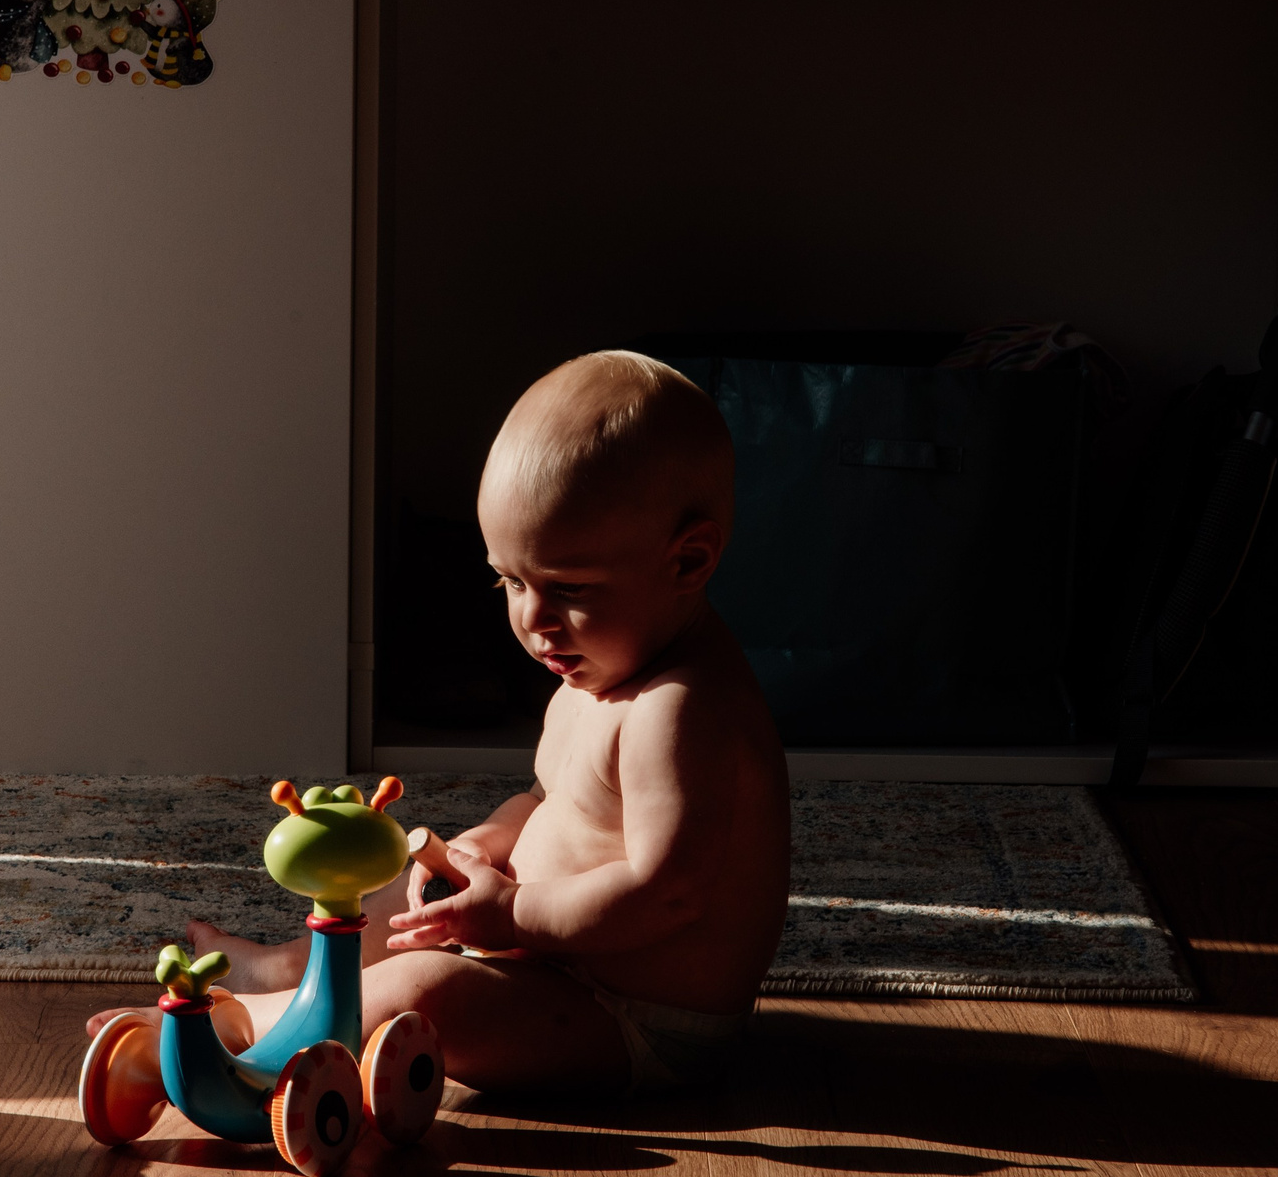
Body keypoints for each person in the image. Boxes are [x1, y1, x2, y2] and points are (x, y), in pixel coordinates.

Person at [97, 350, 791, 1094]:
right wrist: (486, 846)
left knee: (421, 991)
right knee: (410, 882)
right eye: (511, 580)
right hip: (539, 957)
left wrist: (516, 912)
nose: (532, 619)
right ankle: (295, 968)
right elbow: (548, 801)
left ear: (688, 561)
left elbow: (667, 891)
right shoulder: (596, 673)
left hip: (631, 1020)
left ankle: (244, 1029)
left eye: (569, 587)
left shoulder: (680, 709)